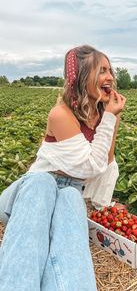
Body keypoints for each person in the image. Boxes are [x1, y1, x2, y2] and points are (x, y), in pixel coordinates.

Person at [0, 45, 126, 290]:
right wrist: (110, 118)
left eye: (110, 70)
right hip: (32, 192)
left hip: (71, 191)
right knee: (43, 182)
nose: (110, 76)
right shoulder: (61, 113)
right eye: (101, 70)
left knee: (70, 196)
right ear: (79, 76)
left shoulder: (104, 114)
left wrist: (111, 118)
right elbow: (91, 166)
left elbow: (106, 164)